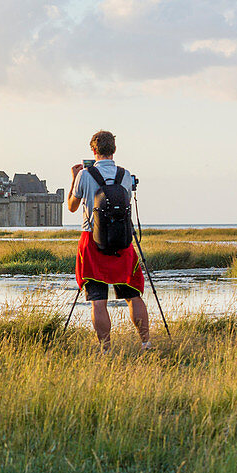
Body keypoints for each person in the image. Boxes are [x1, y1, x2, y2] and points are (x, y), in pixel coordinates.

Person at [67, 130, 151, 352]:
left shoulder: (85, 175)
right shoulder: (125, 174)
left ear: (93, 150)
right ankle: (146, 343)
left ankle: (106, 350)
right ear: (114, 149)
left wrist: (74, 178)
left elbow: (72, 206)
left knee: (98, 300)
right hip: (122, 243)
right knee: (133, 295)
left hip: (93, 242)